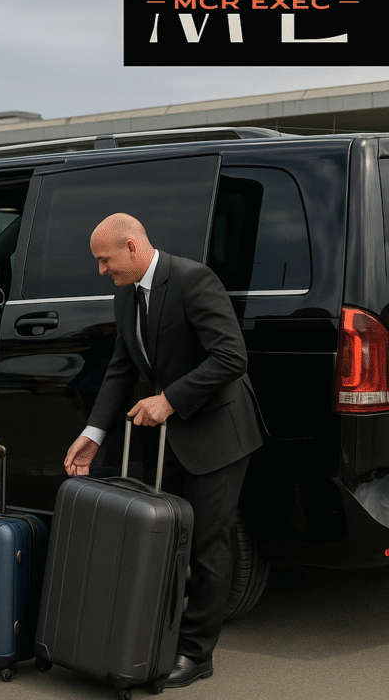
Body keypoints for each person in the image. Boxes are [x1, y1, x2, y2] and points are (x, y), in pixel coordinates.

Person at [64, 213, 263, 688]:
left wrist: (169, 399)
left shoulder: (194, 280)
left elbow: (231, 357)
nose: (101, 271)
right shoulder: (125, 293)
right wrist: (93, 434)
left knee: (207, 544)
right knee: (170, 538)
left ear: (132, 248)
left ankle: (197, 655)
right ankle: (163, 635)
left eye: (104, 260)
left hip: (219, 434)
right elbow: (120, 369)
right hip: (177, 436)